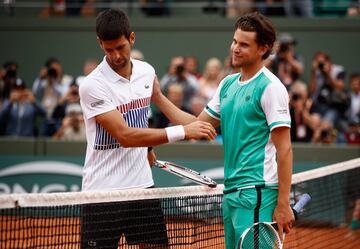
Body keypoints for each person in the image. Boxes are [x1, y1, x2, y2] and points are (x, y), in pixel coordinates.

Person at [152, 12, 294, 249]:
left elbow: (285, 149)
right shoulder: (227, 84)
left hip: (257, 193)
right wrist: (158, 97)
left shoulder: (271, 88)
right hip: (231, 194)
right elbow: (197, 125)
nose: (235, 48)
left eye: (244, 44)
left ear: (263, 48)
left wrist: (283, 203)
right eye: (235, 41)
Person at [78, 8, 216, 249]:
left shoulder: (146, 72)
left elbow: (161, 106)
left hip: (142, 186)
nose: (116, 55)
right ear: (100, 43)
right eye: (108, 49)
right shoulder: (92, 85)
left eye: (120, 47)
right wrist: (184, 132)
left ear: (131, 37)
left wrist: (198, 126)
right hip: (103, 193)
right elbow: (125, 135)